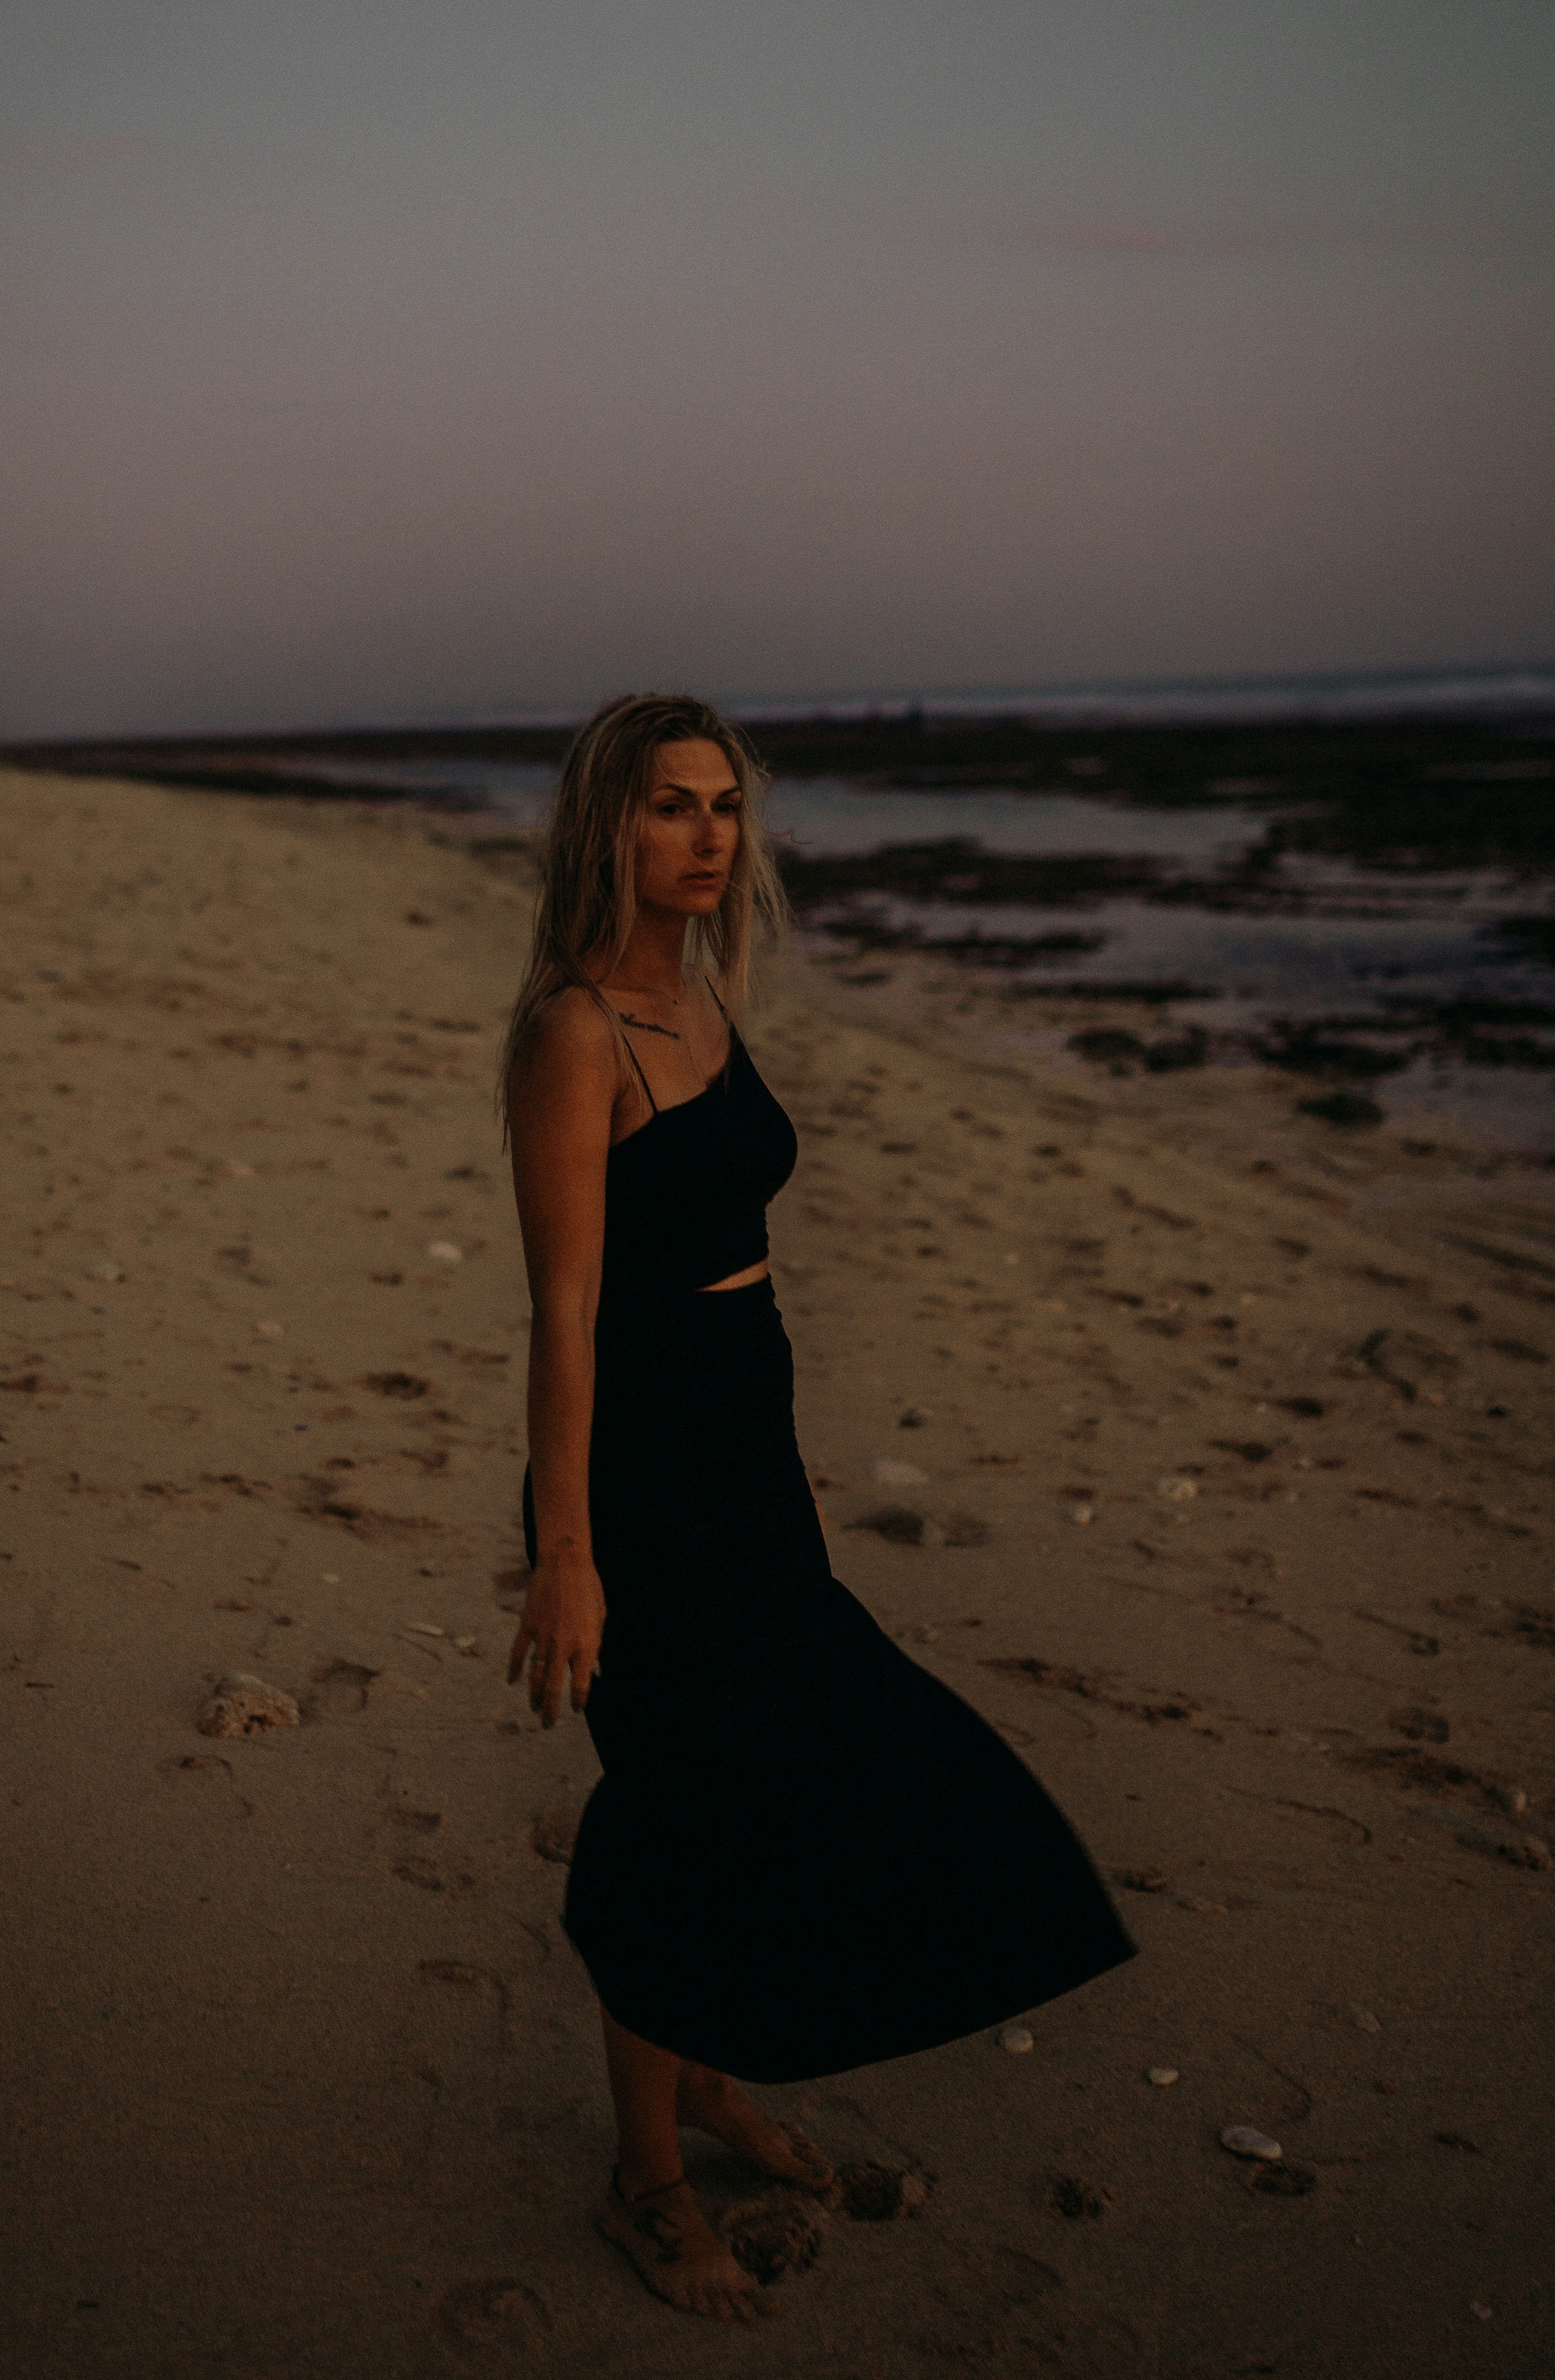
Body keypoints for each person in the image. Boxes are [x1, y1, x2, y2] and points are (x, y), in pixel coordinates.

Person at [501, 693, 1135, 2323]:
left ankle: (707, 2079)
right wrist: (567, 1555)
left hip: (747, 1469)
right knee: (680, 1806)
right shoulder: (575, 1037)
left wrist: (783, 1462)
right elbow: (565, 1313)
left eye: (724, 807)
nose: (707, 838)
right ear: (607, 827)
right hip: (642, 1486)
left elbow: (737, 1268)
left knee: (804, 1765)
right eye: (670, 808)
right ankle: (645, 2181)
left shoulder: (705, 991)